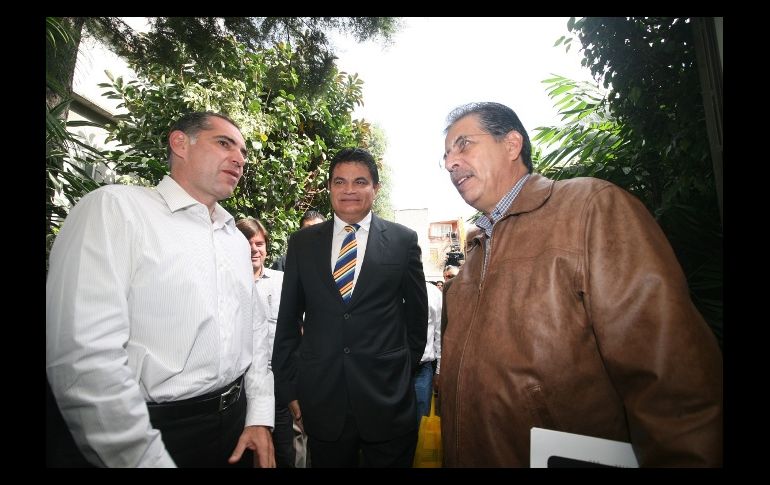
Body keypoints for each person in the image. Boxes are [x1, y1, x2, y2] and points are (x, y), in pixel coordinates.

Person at [438, 102, 722, 467]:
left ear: (511, 145)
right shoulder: (472, 257)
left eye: (463, 145)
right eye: (445, 156)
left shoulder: (591, 209)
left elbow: (674, 387)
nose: (451, 162)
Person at [46, 112, 276, 468]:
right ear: (180, 143)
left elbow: (256, 331)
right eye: (224, 143)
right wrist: (140, 457)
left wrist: (258, 416)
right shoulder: (116, 209)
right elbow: (84, 357)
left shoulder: (234, 239)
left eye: (243, 152)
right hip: (152, 430)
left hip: (235, 426)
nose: (239, 159)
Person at [272, 147, 428, 467]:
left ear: (375, 188)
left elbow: (417, 319)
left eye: (360, 182)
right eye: (340, 182)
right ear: (330, 187)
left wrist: (398, 373)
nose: (349, 190)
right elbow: (288, 321)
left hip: (388, 402)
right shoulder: (302, 244)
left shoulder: (403, 241)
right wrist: (289, 390)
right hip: (322, 401)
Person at [237, 217, 302, 468]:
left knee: (282, 454)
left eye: (259, 243)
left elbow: (296, 330)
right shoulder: (227, 282)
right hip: (239, 389)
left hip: (277, 386)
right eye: (247, 243)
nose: (254, 250)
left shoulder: (282, 281)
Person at [414, 281, 442, 425]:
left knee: (421, 421)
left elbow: (439, 334)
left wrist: (439, 370)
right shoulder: (388, 286)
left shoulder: (433, 293)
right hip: (392, 369)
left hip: (422, 369)